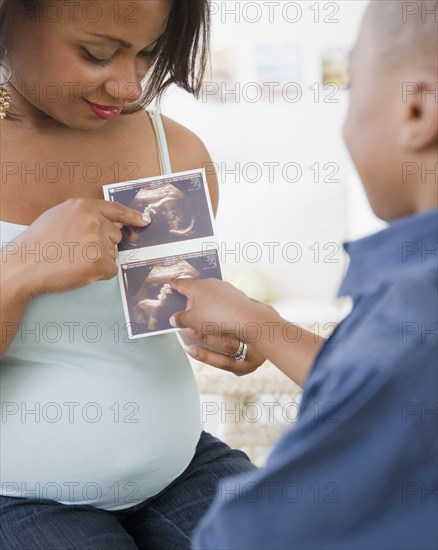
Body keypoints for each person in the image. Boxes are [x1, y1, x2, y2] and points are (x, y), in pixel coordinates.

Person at [169, 1, 438, 548]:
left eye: (352, 84)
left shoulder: (412, 317)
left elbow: (247, 537)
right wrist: (259, 321)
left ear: (417, 112)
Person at [0, 1, 260, 549]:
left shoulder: (174, 151)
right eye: (97, 54)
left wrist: (219, 326)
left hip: (180, 468)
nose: (128, 87)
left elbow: (166, 302)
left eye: (146, 54)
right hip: (17, 496)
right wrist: (21, 267)